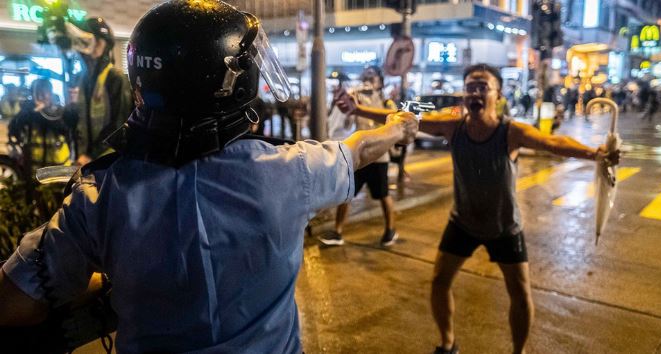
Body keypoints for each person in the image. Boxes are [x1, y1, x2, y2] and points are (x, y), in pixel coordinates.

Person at [0, 2, 419, 353]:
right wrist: (399, 127)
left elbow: (16, 298)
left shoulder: (98, 195)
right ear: (232, 84)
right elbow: (361, 149)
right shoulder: (292, 173)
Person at [336, 63, 619, 354]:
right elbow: (404, 120)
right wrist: (357, 110)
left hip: (504, 226)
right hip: (463, 222)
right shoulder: (452, 126)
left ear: (497, 93)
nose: (475, 92)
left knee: (520, 294)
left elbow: (552, 142)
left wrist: (594, 154)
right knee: (439, 282)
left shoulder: (511, 132)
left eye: (483, 86)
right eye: (470, 86)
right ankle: (448, 343)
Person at [319, 65, 400, 247]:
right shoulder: (356, 98)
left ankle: (390, 230)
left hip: (379, 157)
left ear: (380, 82)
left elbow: (392, 122)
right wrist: (349, 107)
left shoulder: (386, 102)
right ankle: (338, 232)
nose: (369, 80)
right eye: (366, 76)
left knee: (383, 194)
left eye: (373, 77)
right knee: (346, 193)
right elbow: (347, 124)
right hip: (361, 157)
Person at [62, 17, 133, 165]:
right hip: (86, 161)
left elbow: (119, 124)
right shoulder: (82, 80)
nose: (89, 49)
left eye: (96, 42)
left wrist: (91, 155)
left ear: (104, 45)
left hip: (109, 162)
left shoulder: (115, 78)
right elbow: (78, 122)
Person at [8, 79, 76, 171]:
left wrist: (43, 113)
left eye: (45, 92)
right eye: (38, 93)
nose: (41, 96)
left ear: (51, 94)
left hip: (59, 172)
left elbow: (66, 130)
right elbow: (13, 129)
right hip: (34, 172)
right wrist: (28, 112)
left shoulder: (61, 112)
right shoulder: (28, 113)